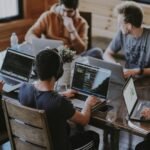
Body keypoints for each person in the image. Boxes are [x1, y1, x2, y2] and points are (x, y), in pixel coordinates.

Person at [18, 48, 100, 150]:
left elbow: (42, 98)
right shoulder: (59, 102)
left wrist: (61, 94)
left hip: (32, 144)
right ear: (59, 72)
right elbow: (83, 120)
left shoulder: (23, 89)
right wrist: (88, 103)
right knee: (93, 136)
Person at [25, 0, 103, 58]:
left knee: (97, 52)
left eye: (69, 11)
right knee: (24, 48)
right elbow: (30, 34)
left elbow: (82, 50)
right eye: (63, 10)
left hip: (71, 57)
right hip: (49, 54)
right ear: (59, 6)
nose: (65, 14)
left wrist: (72, 31)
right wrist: (40, 44)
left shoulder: (82, 23)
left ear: (75, 10)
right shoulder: (47, 16)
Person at [103, 1, 150, 78]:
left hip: (146, 81)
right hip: (128, 79)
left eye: (120, 24)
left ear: (129, 26)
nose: (118, 26)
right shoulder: (121, 34)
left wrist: (137, 71)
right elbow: (106, 54)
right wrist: (115, 65)